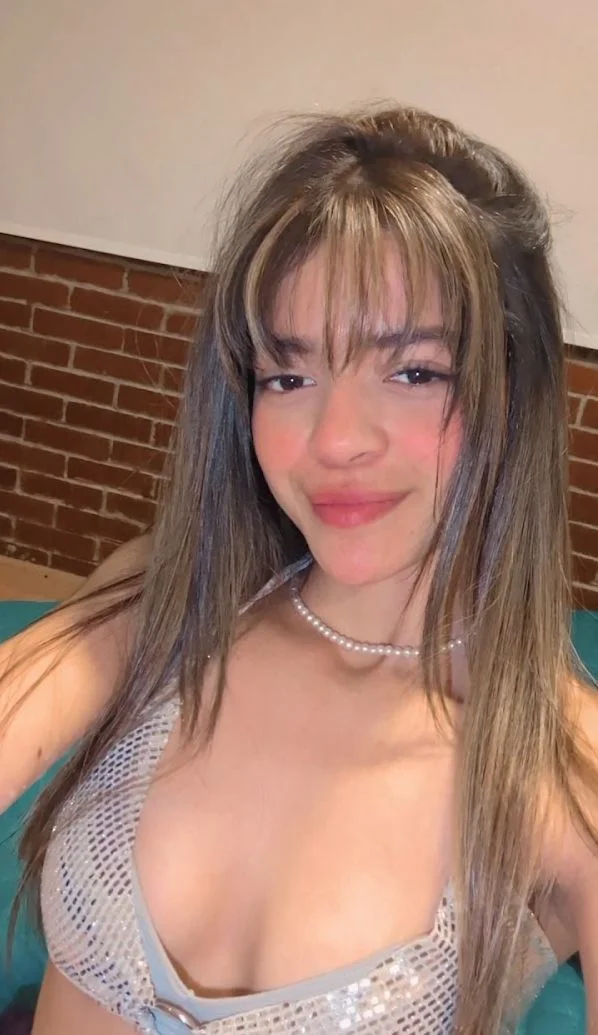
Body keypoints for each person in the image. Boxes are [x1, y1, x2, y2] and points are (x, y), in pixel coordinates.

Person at [1, 104, 597, 1035]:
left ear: (512, 396)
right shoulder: (170, 600)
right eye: (288, 376)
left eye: (415, 372)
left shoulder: (558, 766)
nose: (335, 440)